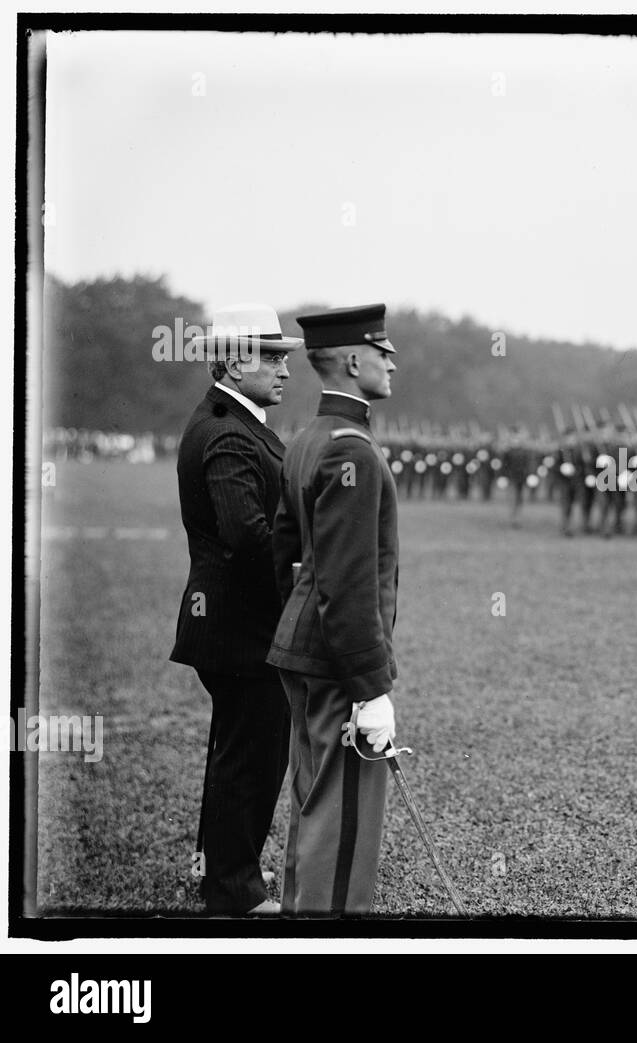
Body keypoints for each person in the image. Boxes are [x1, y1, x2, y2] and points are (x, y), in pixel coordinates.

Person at [267, 303, 401, 915]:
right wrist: (370, 687)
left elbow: (284, 554)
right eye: (381, 351)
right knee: (342, 824)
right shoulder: (354, 450)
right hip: (335, 662)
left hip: (303, 647)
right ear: (353, 361)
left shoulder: (308, 439)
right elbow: (348, 584)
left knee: (313, 801)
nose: (391, 361)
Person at [170, 303, 300, 915]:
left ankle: (222, 870)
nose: (284, 370)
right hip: (241, 628)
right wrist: (303, 586)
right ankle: (233, 890)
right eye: (271, 357)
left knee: (237, 753)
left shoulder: (232, 420)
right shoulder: (227, 429)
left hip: (231, 623)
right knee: (251, 759)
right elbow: (247, 535)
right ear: (231, 361)